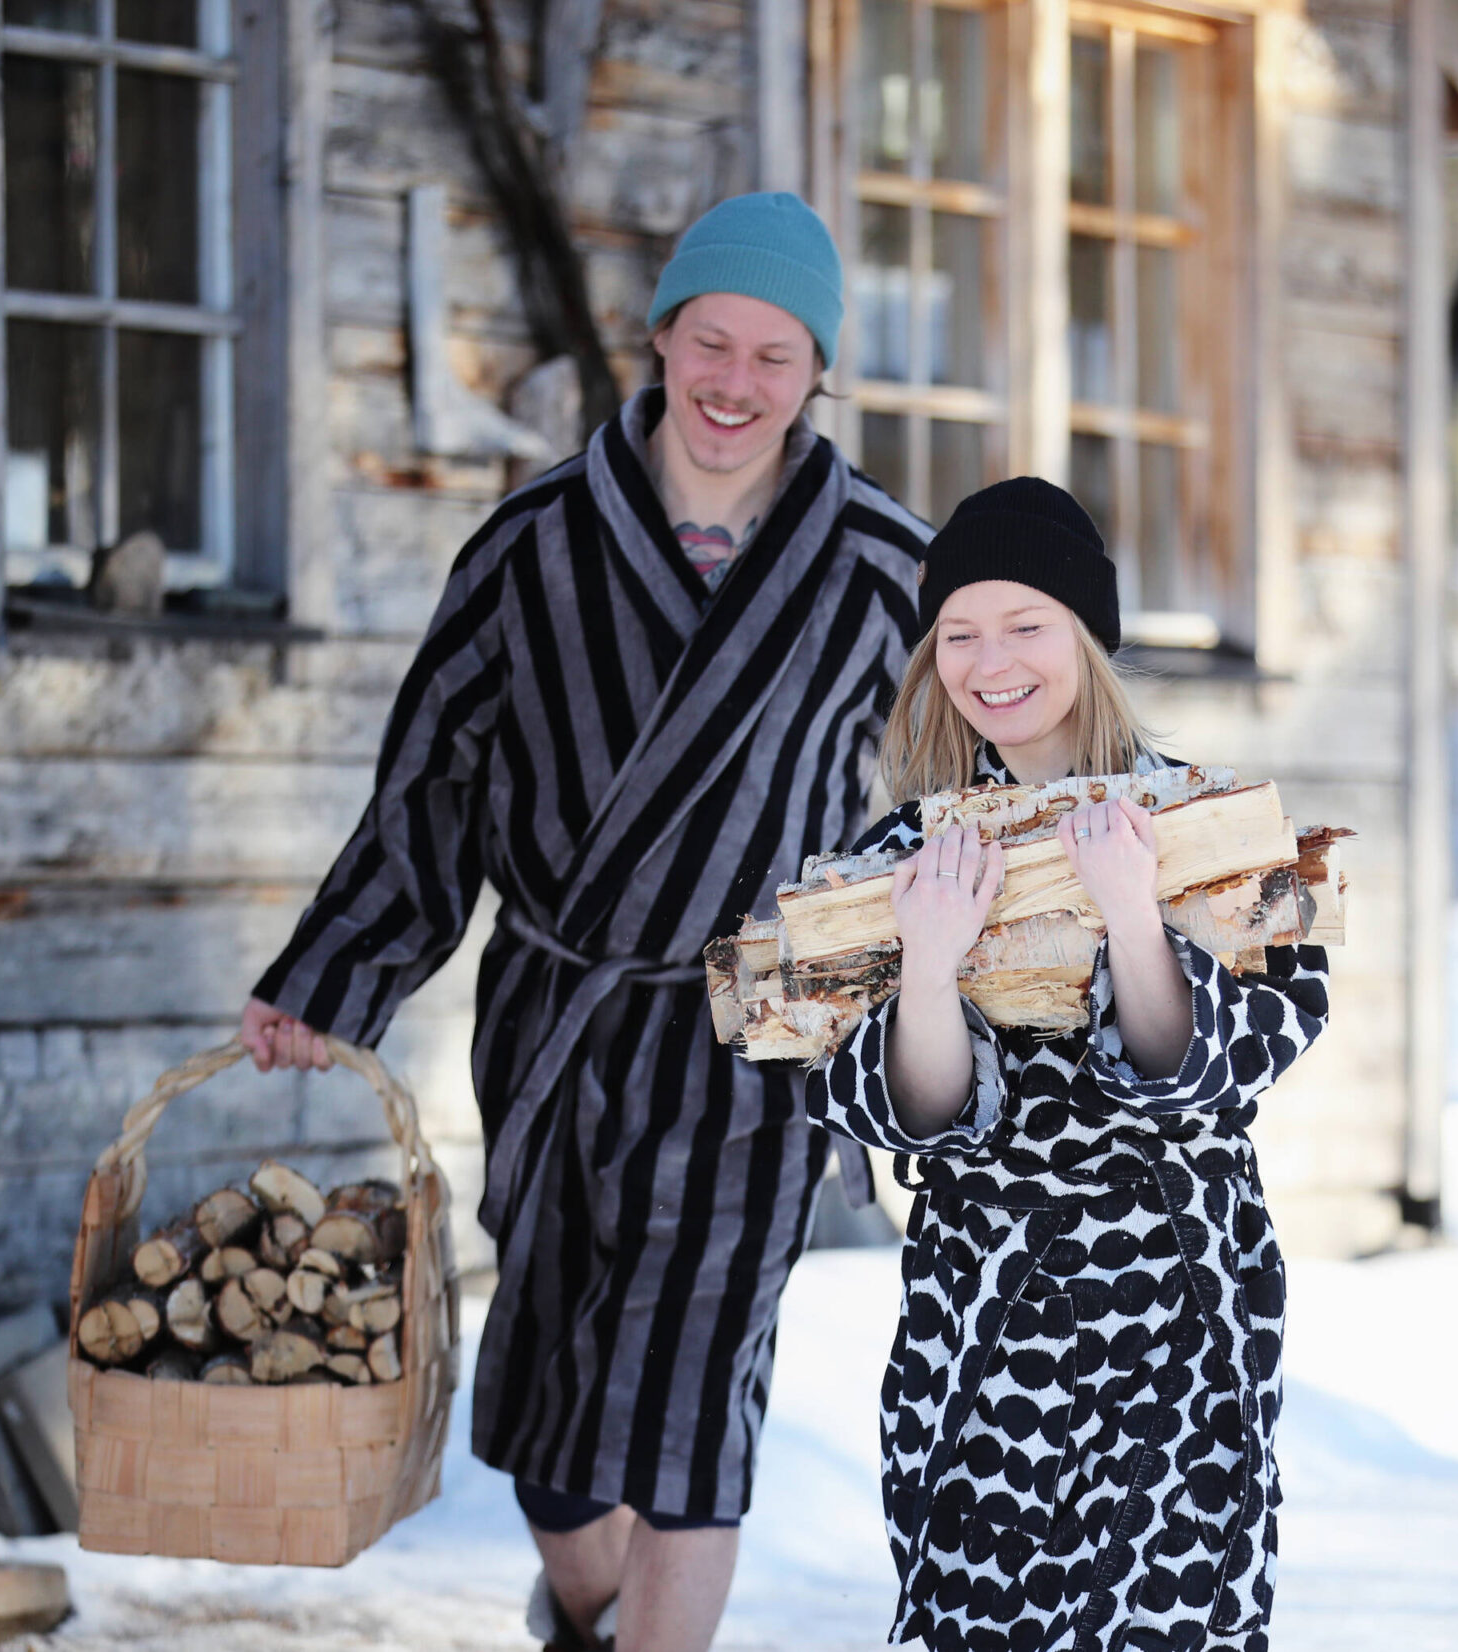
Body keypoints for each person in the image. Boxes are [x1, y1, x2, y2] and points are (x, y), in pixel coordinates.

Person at [238, 192, 927, 1652]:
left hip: (758, 1040)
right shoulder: (532, 542)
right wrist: (332, 977)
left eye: (776, 356)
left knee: (692, 1409)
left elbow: (963, 777)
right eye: (713, 342)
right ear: (663, 337)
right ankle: (593, 1617)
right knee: (553, 1436)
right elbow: (428, 789)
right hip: (559, 1025)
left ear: (818, 377)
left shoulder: (882, 570)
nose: (736, 383)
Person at [802, 478, 1330, 1652]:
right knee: (980, 1619)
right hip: (988, 1302)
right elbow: (913, 1116)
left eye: (1025, 623)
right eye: (959, 632)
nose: (990, 660)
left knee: (1168, 1623)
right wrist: (928, 963)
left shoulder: (1206, 829)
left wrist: (1134, 919)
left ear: (1086, 637)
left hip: (1177, 1306)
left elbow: (1223, 1067)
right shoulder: (897, 860)